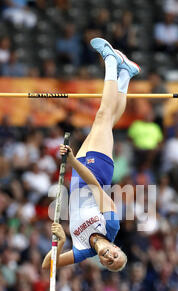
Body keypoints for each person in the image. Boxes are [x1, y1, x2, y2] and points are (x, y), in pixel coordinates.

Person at [42, 38, 140, 272]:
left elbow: (47, 266)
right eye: (116, 257)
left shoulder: (81, 250)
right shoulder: (111, 226)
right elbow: (95, 186)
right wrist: (73, 161)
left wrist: (61, 243)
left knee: (108, 121)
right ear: (117, 249)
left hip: (79, 175)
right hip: (96, 172)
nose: (109, 258)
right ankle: (110, 61)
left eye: (109, 263)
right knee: (102, 117)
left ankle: (126, 73)